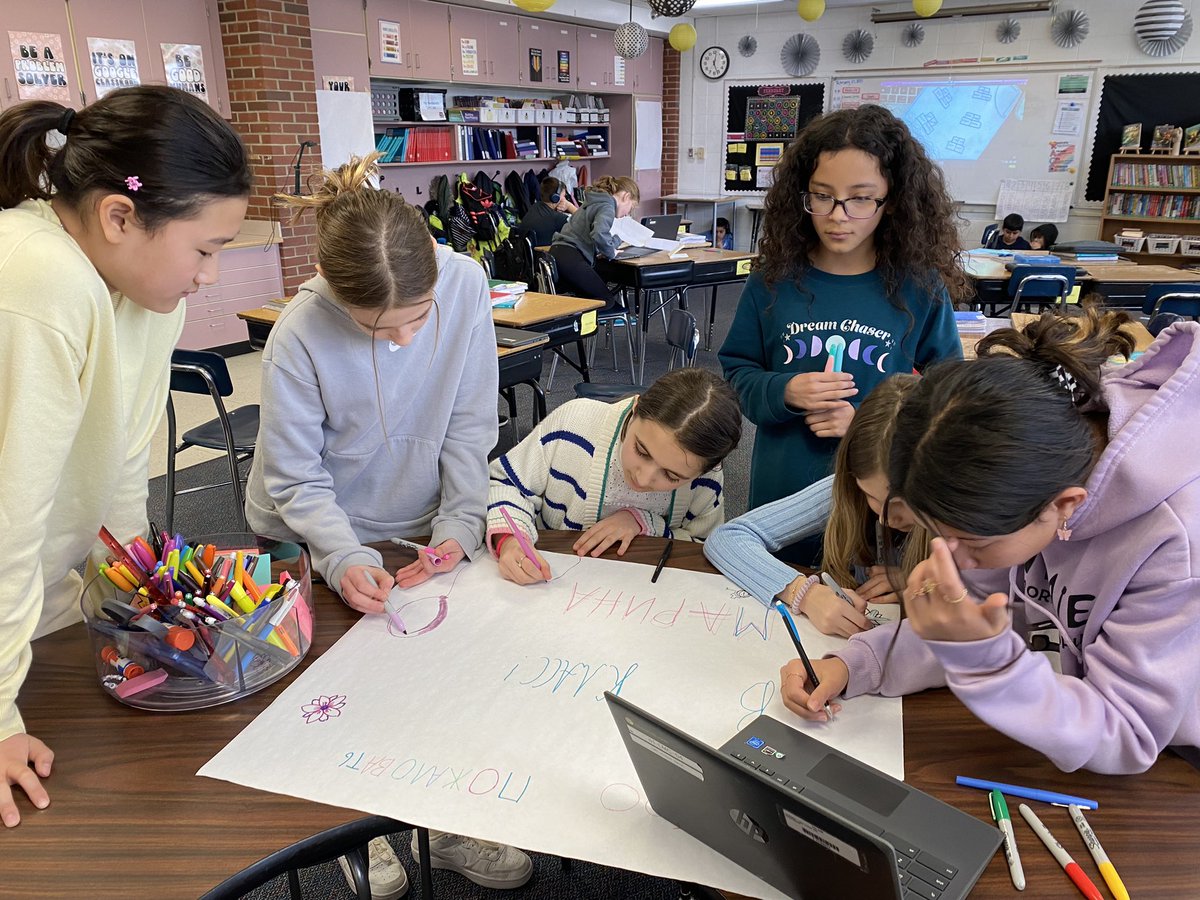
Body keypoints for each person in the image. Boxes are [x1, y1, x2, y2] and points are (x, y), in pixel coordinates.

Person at [243, 154, 531, 895]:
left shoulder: (464, 284)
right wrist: (339, 558)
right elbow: (296, 478)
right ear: (341, 300)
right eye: (379, 329)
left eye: (417, 319)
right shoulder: (299, 336)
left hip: (420, 513)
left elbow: (470, 426)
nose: (403, 342)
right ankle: (351, 826)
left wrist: (461, 527)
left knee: (443, 678)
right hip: (308, 523)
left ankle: (446, 819)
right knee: (336, 689)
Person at [781, 307, 1200, 775]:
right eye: (936, 534)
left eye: (971, 544)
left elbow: (1128, 730)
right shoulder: (1025, 466)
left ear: (1065, 506)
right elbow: (971, 620)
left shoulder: (1175, 538)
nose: (952, 559)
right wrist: (856, 664)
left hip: (1175, 758)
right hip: (1086, 723)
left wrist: (986, 661)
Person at [0, 86, 251, 829]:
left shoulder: (143, 297)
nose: (208, 277)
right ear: (119, 217)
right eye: (204, 249)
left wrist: (140, 597)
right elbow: (9, 520)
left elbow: (117, 470)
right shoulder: (37, 277)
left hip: (30, 615)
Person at [718, 104, 964, 567]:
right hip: (782, 489)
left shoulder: (919, 287)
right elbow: (737, 372)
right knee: (777, 599)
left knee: (862, 610)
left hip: (879, 498)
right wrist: (783, 390)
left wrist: (872, 429)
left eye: (861, 199)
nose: (838, 216)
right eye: (822, 196)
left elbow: (948, 396)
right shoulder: (772, 280)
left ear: (892, 199)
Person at [705, 376, 928, 637]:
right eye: (872, 497)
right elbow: (728, 538)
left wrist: (926, 585)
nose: (886, 520)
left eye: (903, 505)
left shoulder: (967, 522)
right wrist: (805, 593)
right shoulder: (847, 489)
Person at [487, 368, 742, 584]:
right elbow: (503, 482)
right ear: (634, 409)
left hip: (641, 603)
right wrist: (510, 538)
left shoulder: (706, 481)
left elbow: (705, 549)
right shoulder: (574, 424)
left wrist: (645, 522)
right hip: (551, 583)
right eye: (641, 450)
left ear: (708, 469)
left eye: (672, 476)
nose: (642, 479)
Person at [548, 174, 639, 311]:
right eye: (631, 208)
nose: (627, 214)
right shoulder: (607, 206)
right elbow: (599, 234)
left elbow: (596, 235)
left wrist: (616, 241)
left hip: (559, 253)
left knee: (590, 295)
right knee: (606, 300)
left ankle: (575, 321)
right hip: (571, 256)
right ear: (626, 197)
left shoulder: (594, 202)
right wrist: (611, 253)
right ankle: (574, 321)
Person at [516, 176, 577, 247]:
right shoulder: (557, 218)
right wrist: (570, 206)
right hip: (545, 255)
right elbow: (584, 223)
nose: (565, 199)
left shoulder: (535, 207)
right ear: (555, 198)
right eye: (563, 196)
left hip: (529, 255)